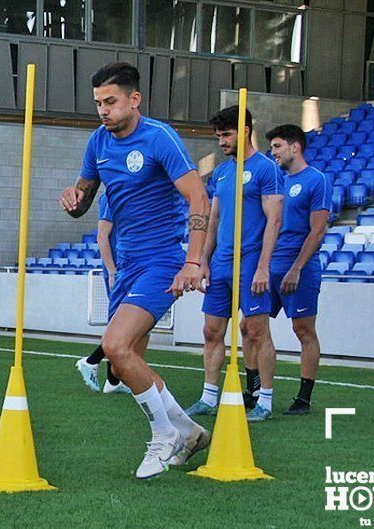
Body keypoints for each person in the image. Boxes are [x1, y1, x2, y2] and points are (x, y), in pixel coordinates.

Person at [60, 62, 211, 479]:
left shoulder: (159, 138)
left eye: (110, 102)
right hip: (125, 266)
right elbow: (85, 196)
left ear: (134, 99)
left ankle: (163, 435)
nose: (103, 111)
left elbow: (199, 198)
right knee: (125, 366)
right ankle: (189, 431)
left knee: (115, 346)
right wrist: (75, 200)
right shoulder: (97, 142)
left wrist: (193, 261)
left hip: (160, 261)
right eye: (98, 104)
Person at [184, 107, 284, 423]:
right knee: (212, 330)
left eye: (226, 134)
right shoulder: (223, 172)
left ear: (245, 131)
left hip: (251, 262)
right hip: (221, 264)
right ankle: (208, 397)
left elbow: (274, 220)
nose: (222, 141)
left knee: (256, 331)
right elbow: (213, 220)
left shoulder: (266, 169)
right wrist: (203, 261)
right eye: (219, 136)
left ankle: (264, 400)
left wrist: (264, 266)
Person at [266, 124, 332, 415]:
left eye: (278, 146)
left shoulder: (317, 180)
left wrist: (296, 268)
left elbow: (317, 231)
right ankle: (256, 390)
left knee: (303, 330)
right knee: (250, 326)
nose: (273, 153)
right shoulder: (276, 182)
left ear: (295, 147)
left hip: (299, 268)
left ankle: (303, 398)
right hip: (269, 266)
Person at [75, 193, 131, 395]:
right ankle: (90, 361)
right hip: (120, 269)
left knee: (126, 325)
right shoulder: (111, 196)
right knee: (122, 325)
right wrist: (112, 270)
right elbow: (102, 235)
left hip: (129, 267)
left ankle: (113, 381)